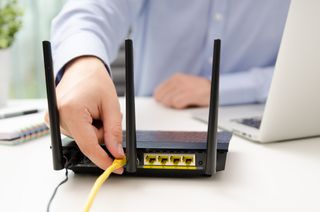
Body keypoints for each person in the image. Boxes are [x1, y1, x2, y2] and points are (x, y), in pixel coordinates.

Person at [49, 0, 290, 173]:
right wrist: (82, 63)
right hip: (148, 120)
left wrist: (224, 88)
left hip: (270, 135)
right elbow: (90, 10)